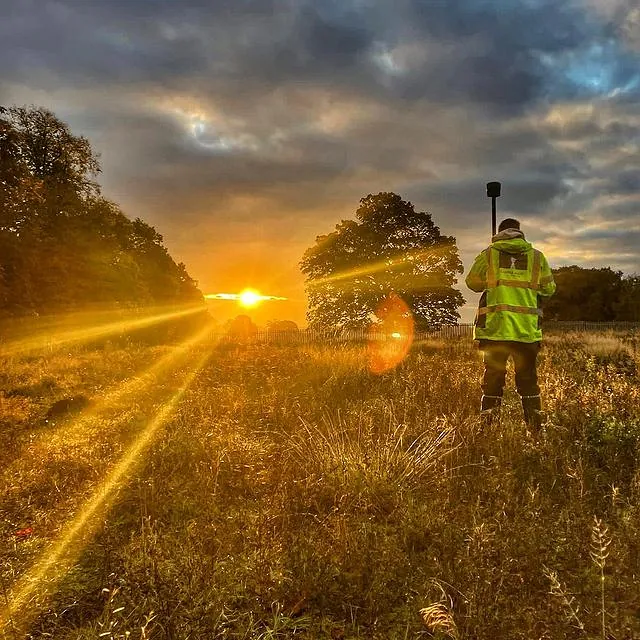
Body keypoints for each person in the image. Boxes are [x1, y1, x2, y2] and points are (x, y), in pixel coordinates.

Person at [465, 218, 556, 432]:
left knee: (493, 380)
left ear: (500, 231)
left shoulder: (489, 254)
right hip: (526, 332)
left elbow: (472, 283)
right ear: (519, 232)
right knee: (528, 381)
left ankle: (488, 430)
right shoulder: (537, 257)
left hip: (495, 330)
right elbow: (549, 289)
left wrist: (493, 280)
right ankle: (535, 431)